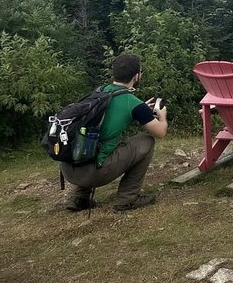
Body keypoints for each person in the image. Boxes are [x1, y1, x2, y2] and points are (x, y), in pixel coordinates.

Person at [61, 54, 168, 213]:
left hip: (69, 167)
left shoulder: (100, 92)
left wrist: (140, 110)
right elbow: (160, 133)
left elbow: (111, 116)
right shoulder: (133, 103)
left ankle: (79, 197)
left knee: (90, 140)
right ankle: (127, 199)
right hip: (94, 173)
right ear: (136, 76)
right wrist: (163, 117)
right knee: (147, 141)